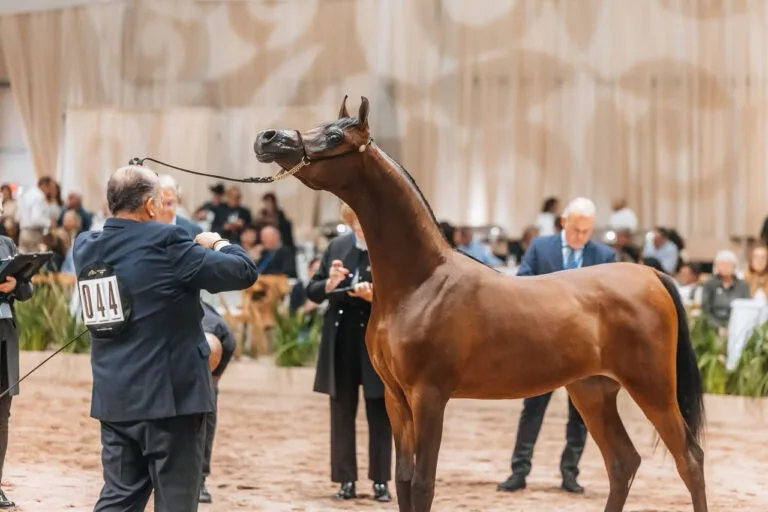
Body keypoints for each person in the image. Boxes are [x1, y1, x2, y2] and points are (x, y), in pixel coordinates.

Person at [73, 165, 260, 512]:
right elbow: (244, 271)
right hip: (171, 403)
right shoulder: (168, 242)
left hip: (115, 398)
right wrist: (217, 243)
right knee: (176, 502)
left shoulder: (85, 246)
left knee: (118, 499)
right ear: (149, 205)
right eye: (159, 199)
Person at [498, 196, 616, 495]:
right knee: (532, 409)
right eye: (575, 230)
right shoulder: (540, 247)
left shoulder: (604, 256)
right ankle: (519, 470)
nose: (580, 237)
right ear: (563, 222)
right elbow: (521, 286)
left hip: (585, 353)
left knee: (582, 415)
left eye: (586, 232)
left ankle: (569, 472)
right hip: (544, 348)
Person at [306, 202, 392, 503]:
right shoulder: (337, 246)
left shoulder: (387, 248)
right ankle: (346, 479)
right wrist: (329, 284)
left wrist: (374, 296)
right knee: (341, 411)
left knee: (379, 409)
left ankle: (381, 480)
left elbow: (402, 294)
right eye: (355, 222)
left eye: (363, 221)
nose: (360, 228)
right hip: (341, 337)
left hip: (375, 338)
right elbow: (312, 290)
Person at [0, 195, 33, 509]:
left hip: (4, 336)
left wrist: (15, 286)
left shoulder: (7, 244)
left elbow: (27, 289)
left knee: (1, 414)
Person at [199, 301, 237, 504]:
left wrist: (211, 383)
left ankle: (198, 479)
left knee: (204, 404)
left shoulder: (215, 330)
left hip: (210, 341)